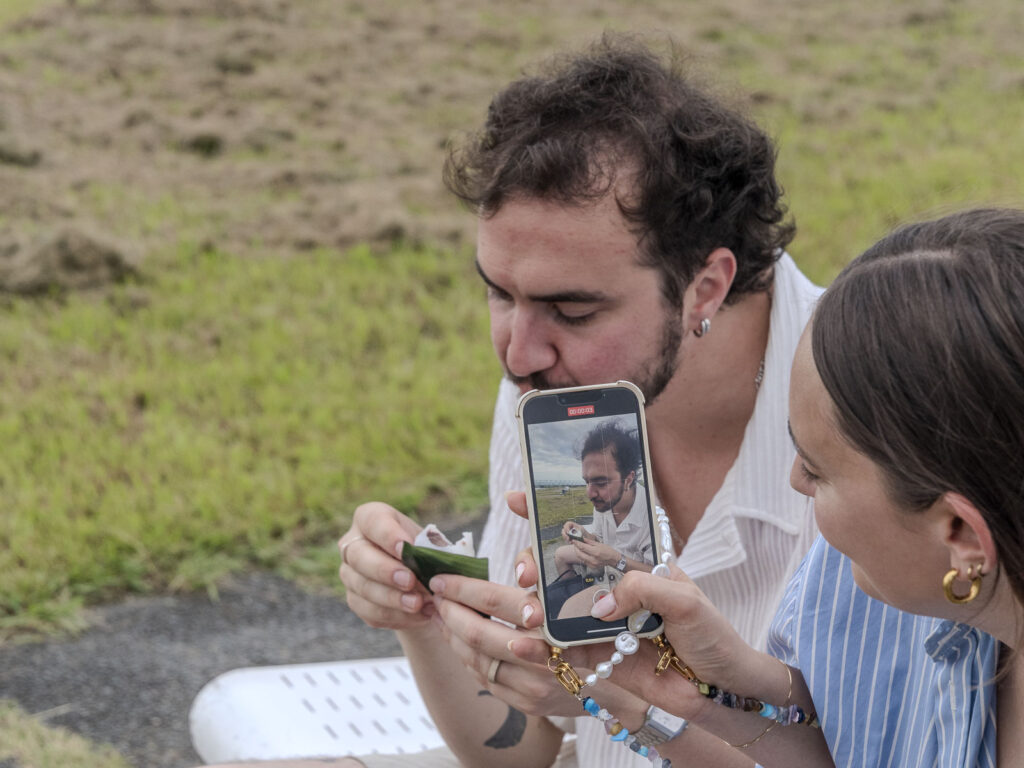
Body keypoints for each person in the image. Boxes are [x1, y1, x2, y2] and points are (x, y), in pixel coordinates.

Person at [209, 34, 821, 767]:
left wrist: (623, 697)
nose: (517, 353)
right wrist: (425, 610)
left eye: (572, 309)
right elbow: (521, 751)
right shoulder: (555, 387)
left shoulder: (872, 410)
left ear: (708, 286)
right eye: (499, 292)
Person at [513, 207, 1021, 767]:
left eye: (818, 468)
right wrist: (705, 691)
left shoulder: (868, 579)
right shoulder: (858, 590)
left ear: (960, 534)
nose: (794, 480)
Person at [550, 421, 654, 619]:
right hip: (606, 569)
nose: (590, 493)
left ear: (629, 479)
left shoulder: (653, 514)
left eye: (600, 482)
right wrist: (581, 534)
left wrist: (616, 559)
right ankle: (574, 591)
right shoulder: (605, 500)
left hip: (634, 590)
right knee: (560, 555)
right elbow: (598, 538)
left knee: (566, 613)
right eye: (587, 482)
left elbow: (660, 576)